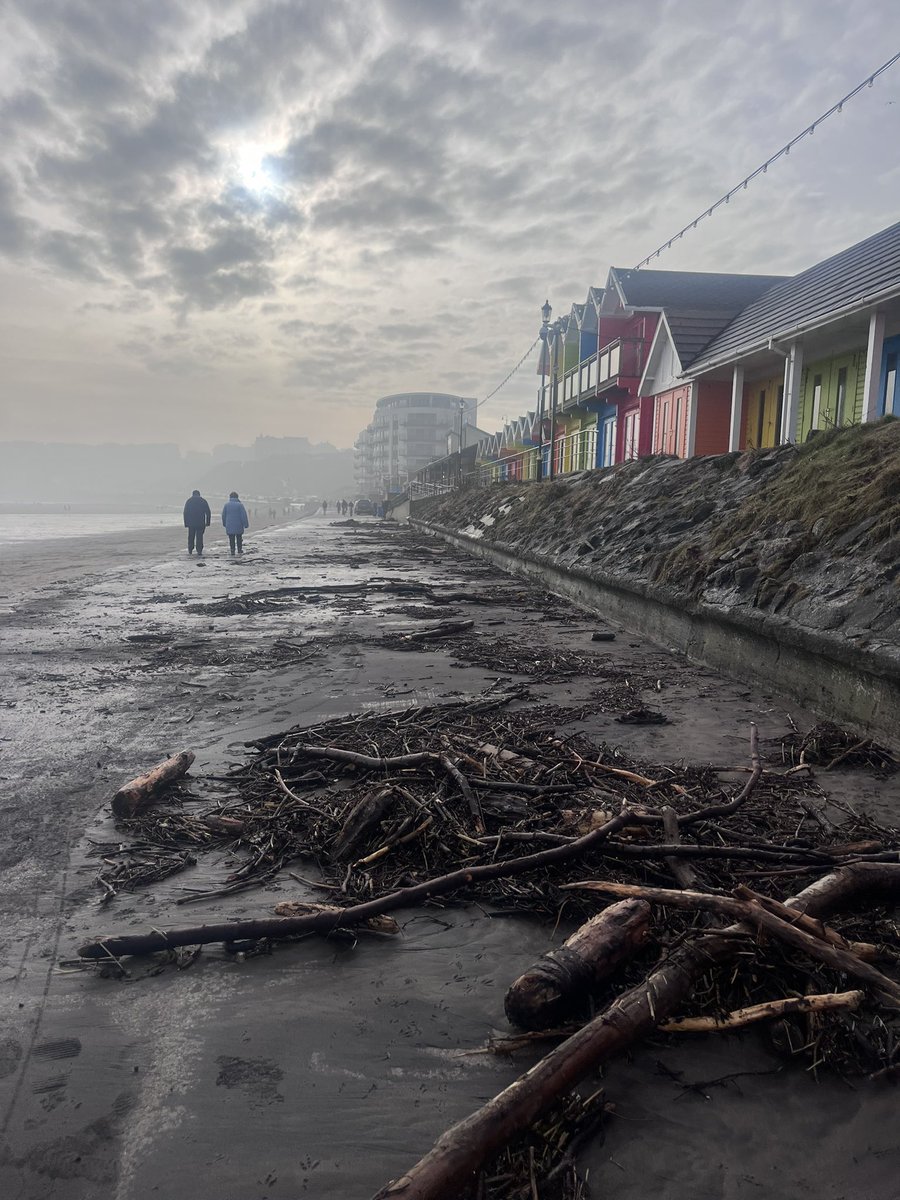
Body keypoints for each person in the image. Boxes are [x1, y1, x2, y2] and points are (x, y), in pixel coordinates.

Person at [183, 489, 211, 556]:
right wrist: (208, 522)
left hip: (191, 523)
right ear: (199, 494)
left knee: (191, 536)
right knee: (199, 537)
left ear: (192, 494)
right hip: (200, 522)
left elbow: (185, 512)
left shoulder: (189, 501)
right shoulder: (203, 501)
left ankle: (190, 549)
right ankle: (199, 550)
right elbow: (208, 512)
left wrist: (186, 523)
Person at [222, 490, 249, 556]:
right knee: (239, 537)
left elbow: (223, 515)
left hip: (229, 525)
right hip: (238, 525)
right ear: (237, 497)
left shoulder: (226, 505)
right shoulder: (240, 505)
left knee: (231, 538)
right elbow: (243, 515)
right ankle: (239, 550)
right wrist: (246, 524)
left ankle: (232, 550)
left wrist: (224, 523)